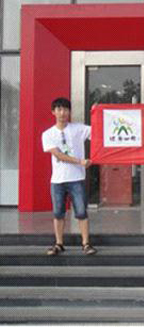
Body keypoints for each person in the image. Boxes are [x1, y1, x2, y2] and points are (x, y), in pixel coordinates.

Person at [41, 97, 97, 256]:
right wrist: (80, 161)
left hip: (76, 179)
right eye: (59, 109)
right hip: (58, 180)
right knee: (58, 213)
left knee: (81, 212)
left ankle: (86, 244)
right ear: (53, 112)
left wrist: (97, 113)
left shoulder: (78, 129)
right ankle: (59, 243)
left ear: (70, 112)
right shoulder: (48, 134)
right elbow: (58, 155)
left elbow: (99, 132)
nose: (62, 113)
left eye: (65, 109)